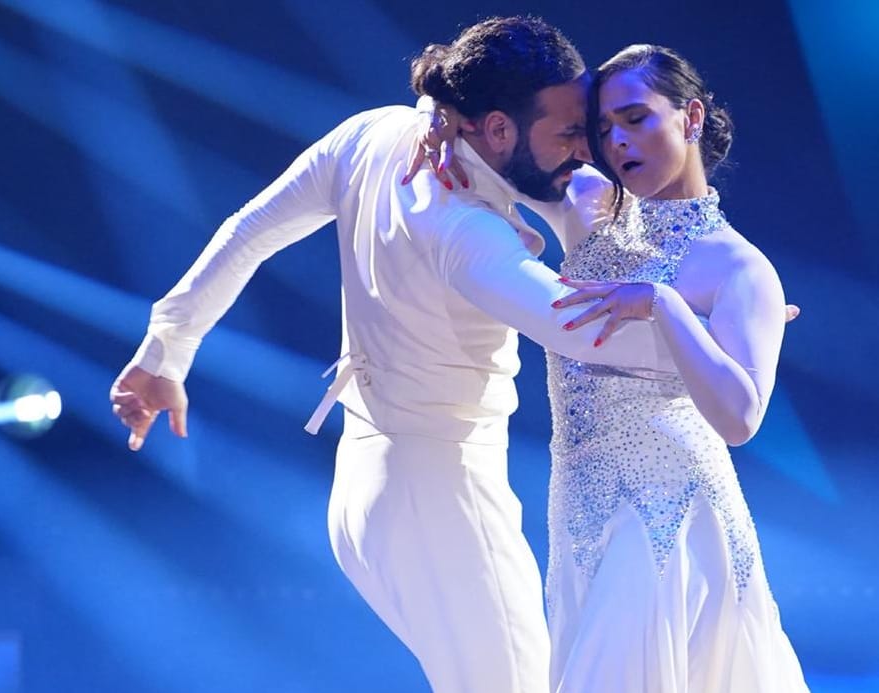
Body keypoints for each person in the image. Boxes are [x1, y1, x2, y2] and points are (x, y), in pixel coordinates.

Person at [111, 18, 683, 693]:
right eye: (568, 133)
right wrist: (731, 330)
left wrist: (162, 353)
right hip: (438, 500)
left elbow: (247, 233)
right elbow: (587, 330)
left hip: (369, 491)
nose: (587, 148)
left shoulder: (374, 135)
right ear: (496, 129)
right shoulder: (465, 230)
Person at [420, 44, 808, 692]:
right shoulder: (591, 203)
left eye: (635, 119)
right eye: (605, 129)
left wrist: (662, 304)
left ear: (689, 116)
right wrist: (436, 113)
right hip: (578, 506)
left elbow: (740, 418)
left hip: (669, 511)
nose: (618, 141)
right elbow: (491, 151)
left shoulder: (740, 268)